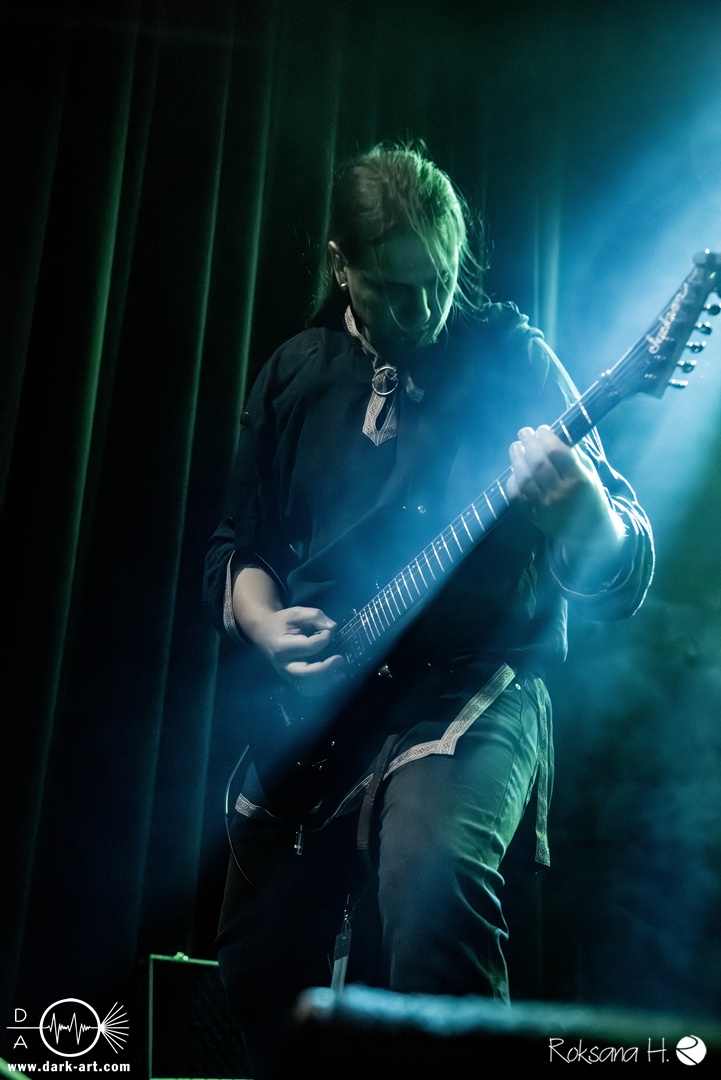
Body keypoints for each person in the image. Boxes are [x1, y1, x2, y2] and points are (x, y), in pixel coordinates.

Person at [204, 143, 654, 1078]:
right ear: (341, 268)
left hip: (470, 687)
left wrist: (583, 515)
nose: (422, 310)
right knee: (256, 968)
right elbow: (239, 542)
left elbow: (624, 562)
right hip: (319, 716)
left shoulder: (514, 360)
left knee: (432, 896)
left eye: (439, 282)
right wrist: (264, 621)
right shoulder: (294, 371)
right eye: (394, 289)